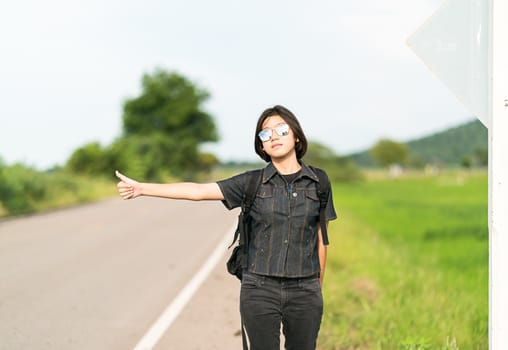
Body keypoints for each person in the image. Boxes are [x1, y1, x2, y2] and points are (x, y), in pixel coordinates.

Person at [115, 105, 337, 350]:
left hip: (305, 290)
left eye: (281, 130)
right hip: (259, 289)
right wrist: (143, 188)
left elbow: (320, 238)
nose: (273, 136)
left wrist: (316, 289)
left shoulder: (320, 182)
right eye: (265, 134)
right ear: (261, 145)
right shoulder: (250, 182)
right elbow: (198, 191)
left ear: (296, 135)